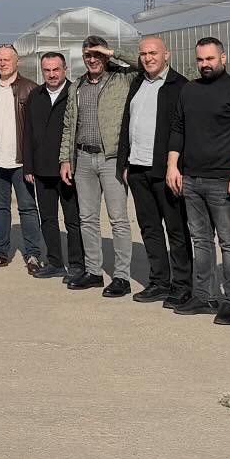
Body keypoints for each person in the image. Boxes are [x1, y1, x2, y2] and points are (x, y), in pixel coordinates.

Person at [166, 37, 230, 324]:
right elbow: (178, 128)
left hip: (224, 181)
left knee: (229, 242)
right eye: (200, 60)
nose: (204, 64)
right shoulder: (189, 90)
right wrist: (172, 166)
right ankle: (203, 296)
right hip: (191, 178)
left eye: (210, 59)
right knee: (201, 241)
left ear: (223, 58)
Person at [115, 36, 191, 307]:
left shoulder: (179, 86)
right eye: (144, 54)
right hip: (137, 169)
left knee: (176, 229)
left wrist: (178, 167)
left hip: (166, 171)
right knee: (149, 229)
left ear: (166, 55)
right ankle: (159, 281)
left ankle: (182, 285)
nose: (148, 58)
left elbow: (183, 131)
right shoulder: (137, 83)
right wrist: (125, 163)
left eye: (153, 53)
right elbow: (127, 123)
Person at [59, 36, 136, 296]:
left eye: (97, 55)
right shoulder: (78, 85)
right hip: (82, 159)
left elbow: (143, 64)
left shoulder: (121, 79)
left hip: (111, 158)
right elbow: (70, 123)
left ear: (105, 56)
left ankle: (122, 277)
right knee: (87, 218)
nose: (92, 60)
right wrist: (65, 159)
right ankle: (93, 272)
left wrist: (112, 51)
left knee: (118, 220)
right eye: (88, 55)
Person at [0, 45, 44, 273]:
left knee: (27, 208)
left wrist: (33, 160)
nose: (3, 63)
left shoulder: (30, 89)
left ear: (17, 62)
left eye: (7, 59)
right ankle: (0, 253)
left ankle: (34, 255)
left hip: (20, 161)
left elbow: (38, 129)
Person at [23, 53, 82, 282]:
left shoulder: (74, 93)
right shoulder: (35, 96)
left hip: (68, 170)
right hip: (41, 169)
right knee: (47, 218)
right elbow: (27, 133)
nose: (52, 74)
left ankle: (77, 263)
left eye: (56, 69)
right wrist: (29, 166)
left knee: (72, 219)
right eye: (47, 70)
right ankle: (55, 262)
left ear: (65, 69)